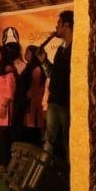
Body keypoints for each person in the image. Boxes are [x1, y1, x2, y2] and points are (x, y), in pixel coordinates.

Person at [37, 10, 73, 161]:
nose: (56, 27)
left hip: (67, 101)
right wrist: (44, 61)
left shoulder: (76, 48)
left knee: (68, 138)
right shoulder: (60, 49)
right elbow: (52, 74)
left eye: (58, 23)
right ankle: (44, 170)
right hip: (54, 99)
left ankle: (72, 171)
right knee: (49, 138)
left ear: (66, 25)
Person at [21, 45, 47, 146]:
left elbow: (35, 87)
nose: (25, 55)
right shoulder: (29, 67)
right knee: (30, 129)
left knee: (34, 128)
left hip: (34, 103)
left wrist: (27, 95)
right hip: (29, 102)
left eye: (27, 53)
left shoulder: (36, 68)